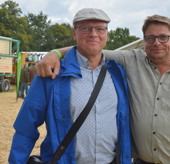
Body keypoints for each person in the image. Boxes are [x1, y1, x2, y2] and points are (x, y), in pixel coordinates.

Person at [36, 14, 170, 164]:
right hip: (140, 161)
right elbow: (91, 50)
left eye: (163, 37)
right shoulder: (131, 60)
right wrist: (54, 53)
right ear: (144, 40)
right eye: (150, 38)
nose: (156, 43)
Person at [8, 8, 131, 164]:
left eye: (100, 29)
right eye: (85, 28)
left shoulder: (118, 73)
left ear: (107, 34)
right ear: (74, 33)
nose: (93, 34)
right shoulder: (52, 74)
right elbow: (26, 128)